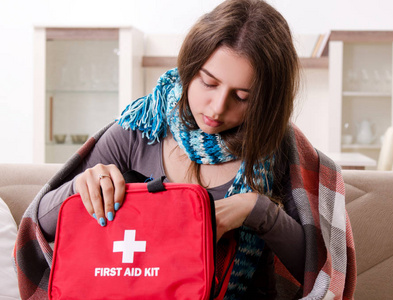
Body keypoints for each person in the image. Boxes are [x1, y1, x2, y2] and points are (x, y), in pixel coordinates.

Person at [15, 0, 356, 299]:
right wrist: (80, 188)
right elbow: (41, 222)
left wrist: (258, 211)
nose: (217, 107)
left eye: (243, 97)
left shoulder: (278, 148)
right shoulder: (139, 130)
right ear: (190, 68)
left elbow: (320, 270)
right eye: (208, 83)